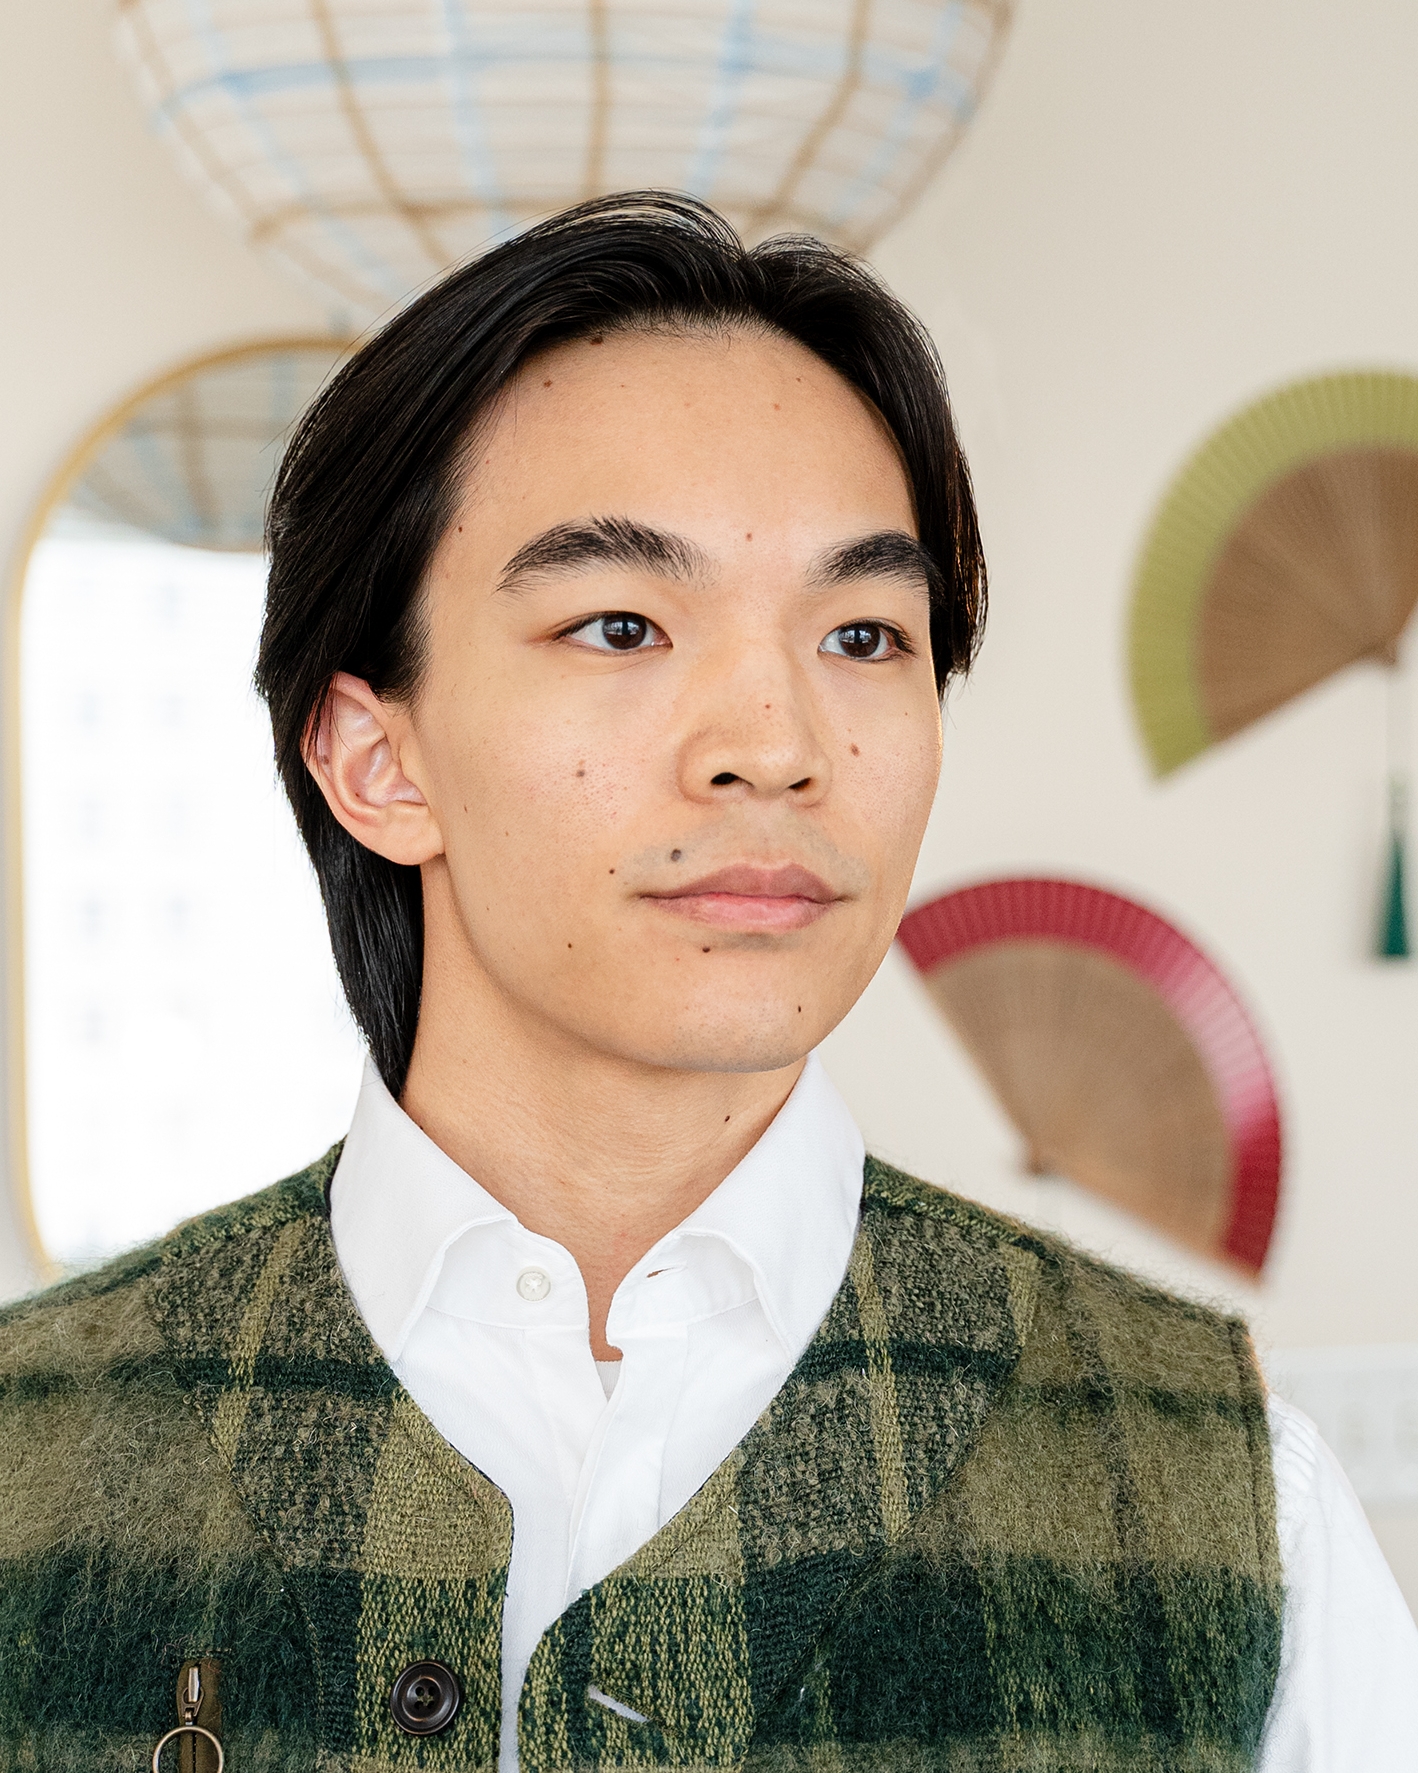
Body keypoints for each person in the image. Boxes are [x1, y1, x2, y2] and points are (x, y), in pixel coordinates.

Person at [0, 194, 1413, 1773]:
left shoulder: (1229, 1504)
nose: (778, 743)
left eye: (864, 634)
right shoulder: (27, 1463)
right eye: (621, 622)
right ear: (377, 759)